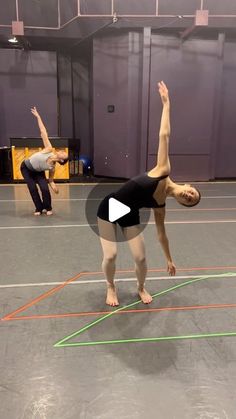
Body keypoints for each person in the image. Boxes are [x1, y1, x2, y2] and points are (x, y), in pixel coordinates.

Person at [97, 81, 201, 307]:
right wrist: (166, 104)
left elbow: (162, 235)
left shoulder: (161, 205)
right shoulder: (163, 170)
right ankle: (110, 286)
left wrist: (169, 259)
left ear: (184, 204)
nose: (189, 196)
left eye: (190, 201)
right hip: (110, 207)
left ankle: (141, 287)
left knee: (141, 258)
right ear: (188, 185)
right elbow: (164, 135)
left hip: (129, 214)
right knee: (111, 255)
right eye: (192, 193)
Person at [20, 107, 68, 216]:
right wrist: (38, 117)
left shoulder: (52, 167)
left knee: (44, 188)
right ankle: (38, 208)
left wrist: (55, 188)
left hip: (38, 172)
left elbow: (50, 180)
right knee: (32, 188)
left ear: (61, 160)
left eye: (64, 154)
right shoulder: (49, 149)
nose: (62, 151)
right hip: (26, 168)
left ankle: (48, 207)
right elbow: (43, 132)